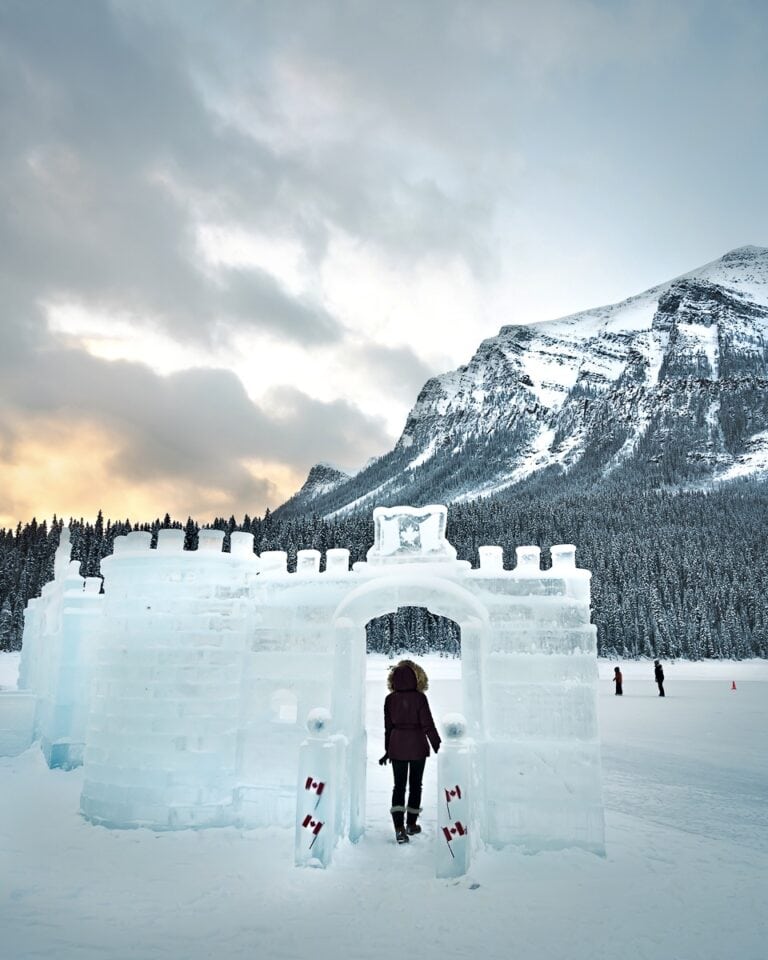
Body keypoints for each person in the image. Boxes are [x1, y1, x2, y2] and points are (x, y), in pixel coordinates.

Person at [379, 659, 441, 844]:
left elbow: (388, 728)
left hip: (397, 746)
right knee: (416, 786)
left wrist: (387, 751)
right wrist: (439, 747)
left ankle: (399, 828)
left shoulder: (390, 699)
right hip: (417, 747)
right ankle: (411, 825)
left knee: (398, 787)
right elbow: (428, 725)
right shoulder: (420, 698)